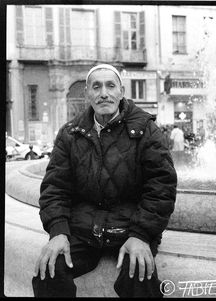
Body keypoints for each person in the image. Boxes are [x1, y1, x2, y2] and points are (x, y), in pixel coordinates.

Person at [32, 64, 177, 298]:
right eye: (96, 87)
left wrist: (141, 234)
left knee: (138, 277)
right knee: (48, 272)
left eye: (110, 86)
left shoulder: (146, 129)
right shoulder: (70, 133)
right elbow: (55, 187)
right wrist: (58, 231)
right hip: (84, 229)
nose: (103, 93)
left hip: (131, 226)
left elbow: (161, 187)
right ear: (87, 93)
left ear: (121, 91)